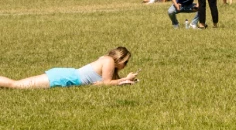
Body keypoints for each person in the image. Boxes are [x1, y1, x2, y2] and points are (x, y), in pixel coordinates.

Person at [1, 47, 137, 89]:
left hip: (67, 77)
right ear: (119, 59)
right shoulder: (108, 61)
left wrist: (126, 81)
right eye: (125, 62)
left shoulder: (107, 62)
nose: (125, 65)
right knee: (16, 85)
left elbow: (102, 84)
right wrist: (125, 78)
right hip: (64, 78)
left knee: (16, 84)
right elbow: (106, 83)